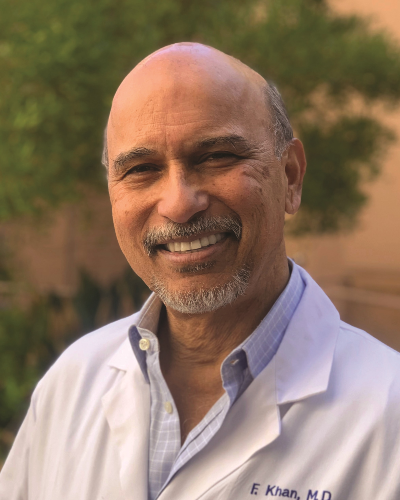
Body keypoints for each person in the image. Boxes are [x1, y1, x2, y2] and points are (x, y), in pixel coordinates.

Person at [1, 42, 400, 500]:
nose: (178, 204)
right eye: (142, 169)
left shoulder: (387, 416)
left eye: (216, 158)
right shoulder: (72, 383)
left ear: (290, 176)